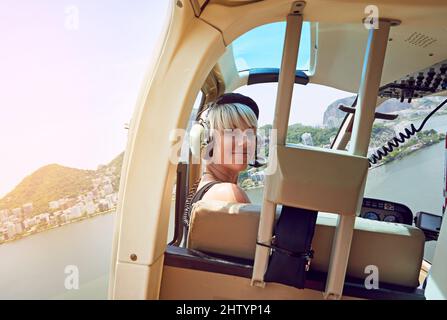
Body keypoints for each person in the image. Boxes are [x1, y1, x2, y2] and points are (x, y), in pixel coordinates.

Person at [183, 93, 259, 227]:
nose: (246, 142)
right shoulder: (229, 194)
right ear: (207, 140)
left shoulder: (203, 188)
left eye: (250, 132)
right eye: (232, 132)